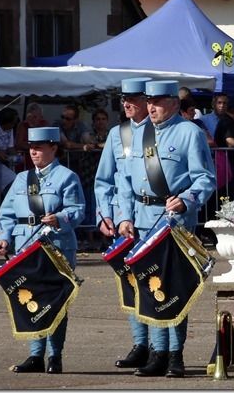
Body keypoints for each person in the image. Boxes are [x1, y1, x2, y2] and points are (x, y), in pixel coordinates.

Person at [116, 80, 216, 378]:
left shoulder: (189, 132)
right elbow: (126, 180)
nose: (152, 107)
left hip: (174, 222)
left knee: (173, 288)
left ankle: (175, 354)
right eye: (149, 102)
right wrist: (124, 216)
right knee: (149, 287)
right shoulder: (139, 134)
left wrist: (186, 200)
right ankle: (158, 352)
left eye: (158, 102)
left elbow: (205, 179)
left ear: (173, 103)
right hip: (142, 221)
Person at [0, 126, 86, 374]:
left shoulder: (67, 177)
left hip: (56, 246)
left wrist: (60, 218)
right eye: (31, 148)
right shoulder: (22, 179)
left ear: (53, 148)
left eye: (39, 147)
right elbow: (7, 213)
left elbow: (77, 210)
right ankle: (35, 355)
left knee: (56, 301)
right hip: (26, 245)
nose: (33, 152)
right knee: (31, 299)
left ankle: (54, 355)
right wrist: (3, 238)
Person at [94, 77, 152, 370]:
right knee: (131, 282)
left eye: (133, 98)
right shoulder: (119, 134)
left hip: (153, 216)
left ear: (148, 99)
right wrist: (105, 214)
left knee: (158, 281)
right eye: (123, 99)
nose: (127, 103)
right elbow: (104, 179)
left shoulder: (159, 131)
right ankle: (140, 342)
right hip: (123, 220)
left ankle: (159, 345)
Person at [15, 102, 48, 170]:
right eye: (31, 116)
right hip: (26, 159)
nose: (32, 119)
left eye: (36, 117)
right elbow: (19, 143)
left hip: (41, 159)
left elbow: (48, 141)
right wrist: (34, 146)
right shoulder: (23, 125)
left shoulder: (44, 124)